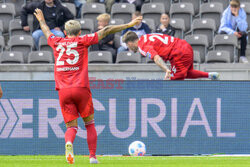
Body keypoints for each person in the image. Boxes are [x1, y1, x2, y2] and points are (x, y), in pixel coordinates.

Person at [34, 8, 142, 164]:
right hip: (81, 88)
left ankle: (69, 142)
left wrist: (42, 20)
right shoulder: (82, 40)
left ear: (65, 32)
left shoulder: (56, 41)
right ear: (79, 33)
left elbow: (45, 31)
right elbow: (107, 30)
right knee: (89, 124)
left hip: (63, 90)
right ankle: (92, 157)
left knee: (71, 127)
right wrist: (129, 24)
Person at [122, 31, 220, 80]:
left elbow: (156, 58)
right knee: (187, 73)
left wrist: (166, 70)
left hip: (178, 53)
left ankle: (178, 105)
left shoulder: (142, 47)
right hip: (184, 45)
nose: (128, 47)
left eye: (127, 45)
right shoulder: (145, 37)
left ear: (130, 43)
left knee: (173, 80)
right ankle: (210, 75)